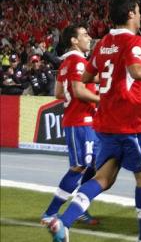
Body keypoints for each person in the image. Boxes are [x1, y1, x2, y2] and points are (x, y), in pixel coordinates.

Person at [47, 0, 141, 242]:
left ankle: (63, 221)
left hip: (106, 122)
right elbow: (136, 70)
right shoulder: (134, 41)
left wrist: (111, 84)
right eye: (138, 12)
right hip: (132, 122)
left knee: (103, 178)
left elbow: (88, 78)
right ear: (131, 14)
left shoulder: (103, 44)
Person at [41, 24, 100, 227]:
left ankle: (80, 206)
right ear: (74, 40)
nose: (89, 37)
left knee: (94, 164)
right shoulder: (77, 61)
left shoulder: (67, 62)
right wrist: (101, 100)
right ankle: (51, 213)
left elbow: (58, 92)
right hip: (79, 122)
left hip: (86, 121)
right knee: (79, 167)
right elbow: (78, 91)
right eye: (84, 34)